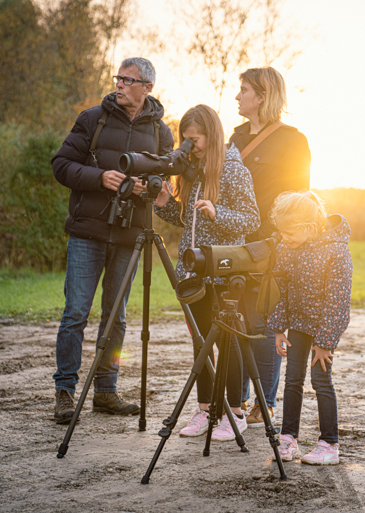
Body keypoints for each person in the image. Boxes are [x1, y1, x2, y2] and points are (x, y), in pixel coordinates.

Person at [50, 57, 175, 423]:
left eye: (128, 80)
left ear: (146, 88)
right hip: (88, 232)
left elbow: (164, 183)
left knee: (116, 317)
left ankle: (106, 391)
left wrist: (147, 190)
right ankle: (65, 392)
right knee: (75, 313)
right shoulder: (93, 118)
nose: (119, 85)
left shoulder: (162, 132)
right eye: (118, 78)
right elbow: (60, 165)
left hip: (129, 235)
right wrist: (99, 177)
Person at [154, 104, 260, 441]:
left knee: (227, 342)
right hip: (194, 270)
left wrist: (218, 213)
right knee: (201, 344)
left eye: (194, 139)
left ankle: (236, 413)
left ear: (211, 136)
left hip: (224, 271)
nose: (189, 146)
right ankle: (205, 410)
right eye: (185, 139)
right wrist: (163, 205)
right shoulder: (192, 172)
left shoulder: (233, 170)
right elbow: (189, 222)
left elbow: (251, 220)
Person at [229, 67, 311, 427]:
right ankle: (237, 401)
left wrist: (280, 242)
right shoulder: (233, 138)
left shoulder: (293, 140)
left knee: (262, 322)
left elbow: (297, 199)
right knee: (235, 322)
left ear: (262, 96)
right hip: (232, 243)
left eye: (244, 90)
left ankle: (266, 401)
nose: (237, 96)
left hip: (269, 246)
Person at [267, 190, 352, 465]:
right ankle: (288, 438)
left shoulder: (336, 251)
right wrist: (279, 328)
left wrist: (325, 342)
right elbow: (280, 287)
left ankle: (329, 443)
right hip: (298, 326)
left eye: (288, 233)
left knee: (320, 380)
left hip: (323, 329)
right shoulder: (287, 248)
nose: (283, 238)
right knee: (292, 380)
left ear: (310, 228)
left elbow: (338, 301)